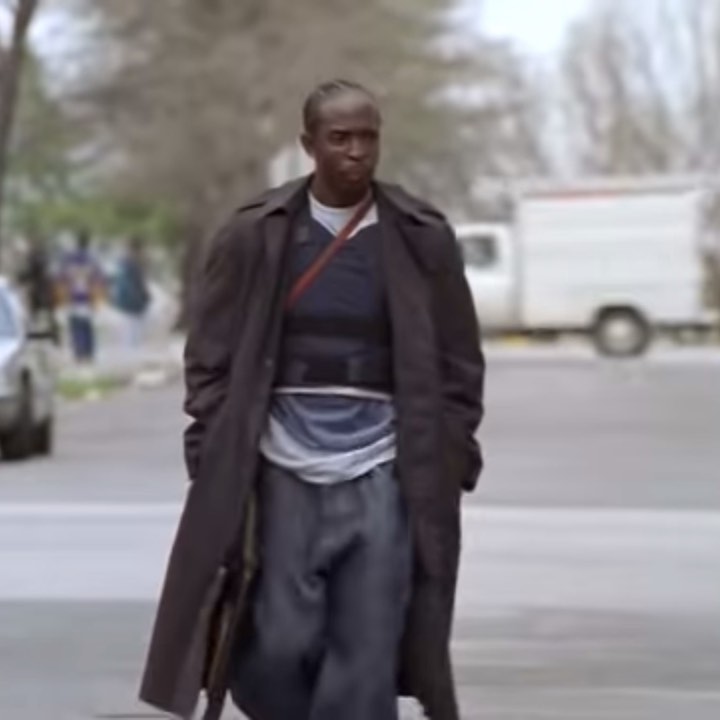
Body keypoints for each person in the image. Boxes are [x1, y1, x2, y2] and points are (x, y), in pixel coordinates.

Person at [140, 79, 485, 720]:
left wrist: (452, 450)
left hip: (385, 466)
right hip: (280, 464)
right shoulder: (256, 234)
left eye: (368, 137)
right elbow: (209, 358)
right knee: (278, 643)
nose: (356, 152)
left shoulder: (420, 236)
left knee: (368, 644)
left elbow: (459, 359)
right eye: (340, 138)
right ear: (309, 144)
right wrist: (213, 450)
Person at [57, 230, 103, 363]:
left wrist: (62, 297)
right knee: (87, 326)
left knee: (76, 327)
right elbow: (98, 279)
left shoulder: (68, 258)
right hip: (88, 297)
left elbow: (61, 278)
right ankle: (88, 353)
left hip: (72, 297)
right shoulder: (92, 259)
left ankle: (79, 354)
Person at [113, 236, 151, 348]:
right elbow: (141, 280)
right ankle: (133, 345)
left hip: (129, 295)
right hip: (133, 295)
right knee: (133, 322)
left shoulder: (126, 261)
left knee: (130, 322)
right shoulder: (136, 261)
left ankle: (132, 345)